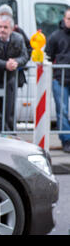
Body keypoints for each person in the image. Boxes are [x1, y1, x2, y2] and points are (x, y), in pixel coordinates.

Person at [0, 15, 29, 132]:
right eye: (0, 27)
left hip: (9, 79)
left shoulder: (18, 38)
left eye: (5, 27)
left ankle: (9, 134)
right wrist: (5, 64)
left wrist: (16, 62)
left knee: (8, 111)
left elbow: (24, 56)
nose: (2, 30)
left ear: (11, 29)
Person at [45, 8, 70, 153]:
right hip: (60, 79)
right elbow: (48, 55)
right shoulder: (55, 36)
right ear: (64, 19)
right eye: (68, 19)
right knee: (62, 111)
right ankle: (66, 140)